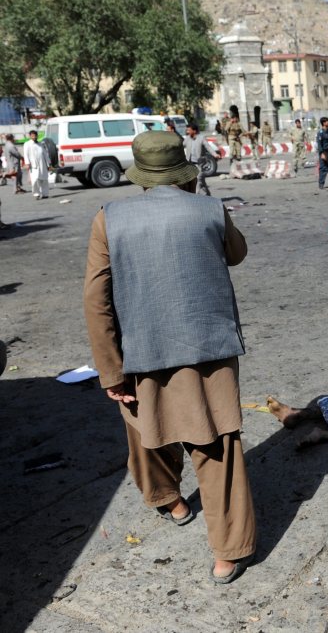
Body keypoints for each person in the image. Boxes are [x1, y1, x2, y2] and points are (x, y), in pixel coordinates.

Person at [82, 131, 256, 584]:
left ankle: (168, 501)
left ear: (139, 174)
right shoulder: (210, 210)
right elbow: (236, 253)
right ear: (185, 170)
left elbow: (96, 300)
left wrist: (109, 370)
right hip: (209, 349)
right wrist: (198, 200)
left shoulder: (109, 218)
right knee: (217, 446)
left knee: (146, 431)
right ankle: (226, 552)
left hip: (141, 351)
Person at [183, 123, 219, 196]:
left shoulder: (201, 138)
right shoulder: (187, 139)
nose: (187, 132)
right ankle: (208, 195)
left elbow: (208, 147)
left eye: (189, 130)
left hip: (200, 164)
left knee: (198, 180)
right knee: (201, 182)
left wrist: (215, 154)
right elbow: (181, 145)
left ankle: (197, 198)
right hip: (190, 165)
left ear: (194, 131)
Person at [23, 130, 50, 200]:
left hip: (42, 164)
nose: (34, 137)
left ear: (37, 136)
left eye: (35, 135)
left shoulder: (41, 144)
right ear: (30, 136)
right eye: (32, 135)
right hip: (33, 164)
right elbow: (26, 154)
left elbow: (45, 154)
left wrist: (48, 164)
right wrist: (27, 163)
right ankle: (36, 194)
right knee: (35, 180)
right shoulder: (27, 144)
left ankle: (45, 194)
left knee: (44, 179)